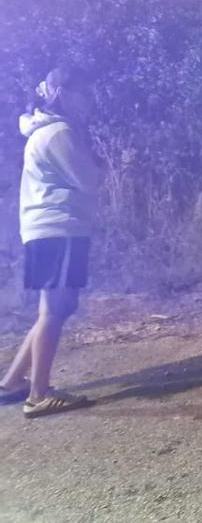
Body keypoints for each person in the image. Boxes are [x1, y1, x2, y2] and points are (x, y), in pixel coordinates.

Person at [1, 67, 100, 418]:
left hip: (47, 228)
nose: (89, 100)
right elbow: (89, 180)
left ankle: (13, 381)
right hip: (60, 227)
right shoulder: (60, 132)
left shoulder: (42, 130)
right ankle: (38, 394)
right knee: (55, 310)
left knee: (57, 307)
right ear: (63, 93)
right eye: (83, 93)